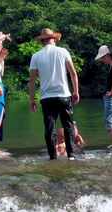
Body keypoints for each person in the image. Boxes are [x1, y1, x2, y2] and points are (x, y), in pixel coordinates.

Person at [28, 28, 80, 160]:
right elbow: (73, 73)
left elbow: (32, 80)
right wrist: (76, 91)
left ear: (42, 41)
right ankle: (71, 155)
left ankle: (52, 157)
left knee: (49, 128)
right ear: (54, 39)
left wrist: (32, 99)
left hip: (46, 97)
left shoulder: (36, 56)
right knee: (67, 125)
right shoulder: (63, 52)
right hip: (63, 95)